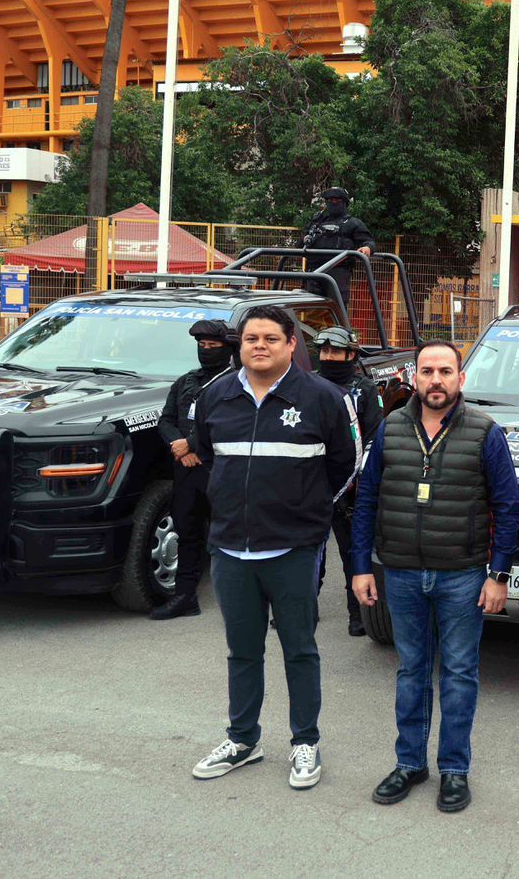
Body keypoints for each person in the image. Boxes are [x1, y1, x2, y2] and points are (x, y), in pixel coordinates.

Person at [189, 305, 358, 791]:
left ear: (290, 345)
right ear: (239, 345)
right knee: (242, 652)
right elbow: (206, 458)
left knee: (299, 650)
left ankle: (304, 742)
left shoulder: (323, 398)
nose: (258, 346)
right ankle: (243, 739)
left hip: (293, 549)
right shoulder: (215, 396)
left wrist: (306, 514)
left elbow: (348, 464)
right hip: (231, 551)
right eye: (250, 338)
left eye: (269, 338)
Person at [350, 340, 519, 814]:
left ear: (460, 379)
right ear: (415, 378)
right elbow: (366, 501)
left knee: (460, 674)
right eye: (428, 371)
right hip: (401, 573)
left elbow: (507, 508)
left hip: (462, 576)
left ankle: (454, 770)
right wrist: (361, 565)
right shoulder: (390, 429)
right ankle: (409, 764)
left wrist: (498, 574)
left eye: (446, 371)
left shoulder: (486, 432)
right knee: (411, 672)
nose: (436, 380)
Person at [150, 318, 237, 621]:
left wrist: (193, 446)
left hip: (221, 469)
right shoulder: (186, 381)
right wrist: (179, 445)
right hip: (187, 470)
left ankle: (243, 601)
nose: (206, 351)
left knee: (231, 536)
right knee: (187, 532)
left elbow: (231, 423)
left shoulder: (238, 383)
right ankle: (185, 597)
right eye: (202, 346)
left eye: (213, 346)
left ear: (228, 349)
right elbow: (166, 419)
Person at [312, 325, 388, 637]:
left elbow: (374, 435)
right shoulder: (309, 384)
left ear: (351, 354)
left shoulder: (364, 389)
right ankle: (302, 607)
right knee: (308, 549)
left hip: (351, 484)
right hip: (313, 483)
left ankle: (356, 613)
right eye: (324, 350)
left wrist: (360, 476)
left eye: (335, 351)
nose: (329, 357)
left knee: (350, 551)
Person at [301, 187, 376, 309]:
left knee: (336, 309)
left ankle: (337, 328)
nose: (332, 202)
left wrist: (367, 248)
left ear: (344, 202)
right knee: (312, 311)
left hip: (338, 273)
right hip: (314, 272)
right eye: (329, 200)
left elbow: (368, 241)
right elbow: (302, 243)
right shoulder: (317, 223)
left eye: (336, 199)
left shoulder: (353, 223)